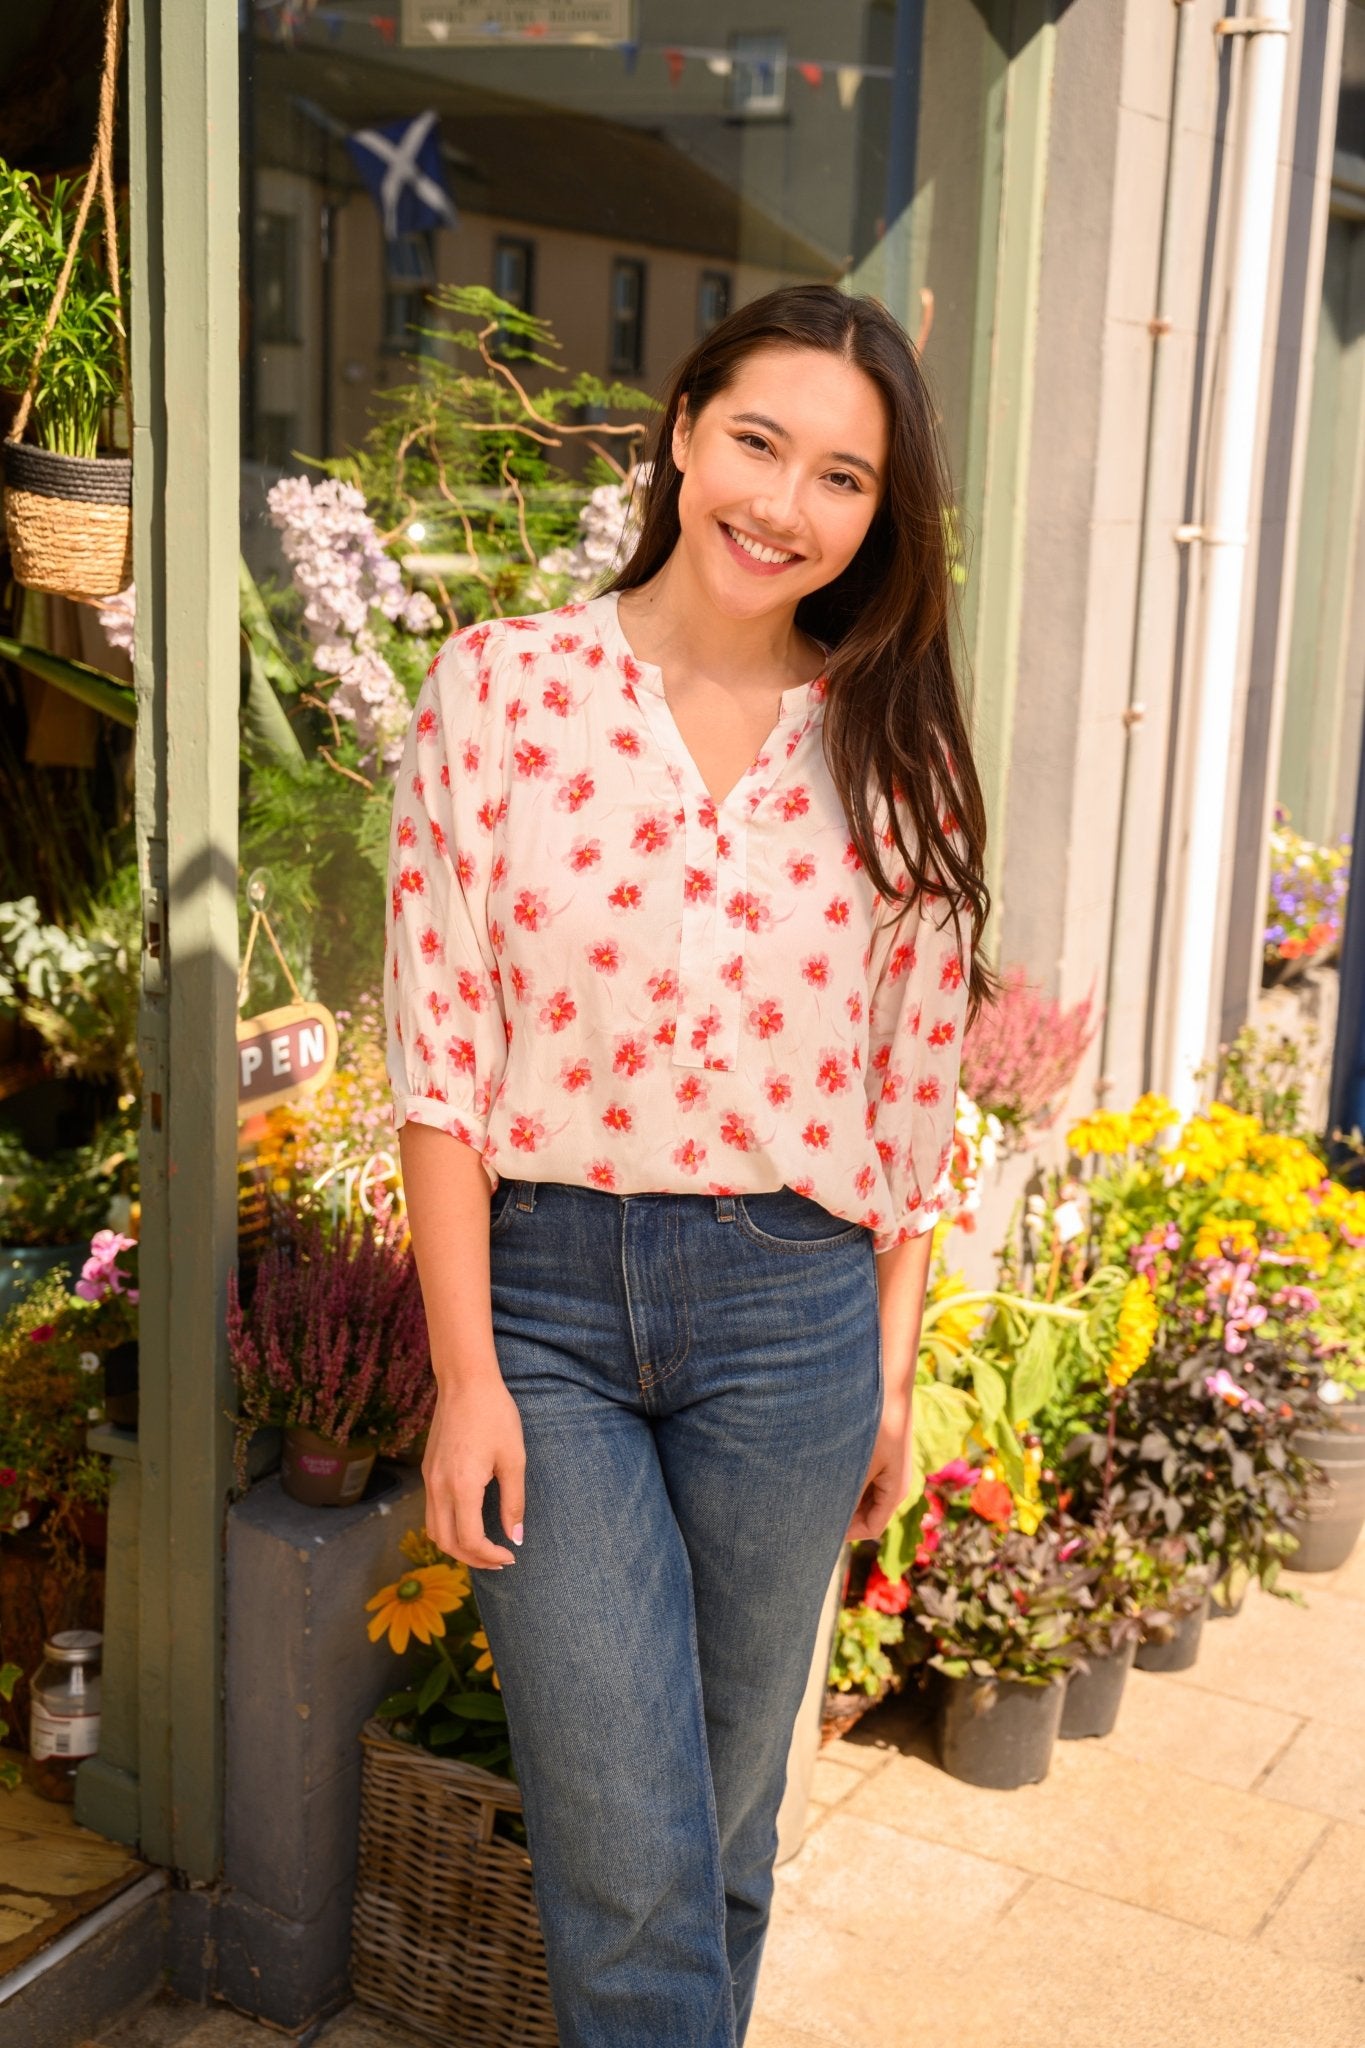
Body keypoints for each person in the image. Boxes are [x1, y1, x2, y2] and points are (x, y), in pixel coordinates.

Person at [385, 282, 992, 2047]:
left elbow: (911, 1108)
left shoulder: (895, 747)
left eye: (841, 478)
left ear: (877, 515)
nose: (784, 504)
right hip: (546, 1312)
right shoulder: (502, 690)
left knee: (722, 1829)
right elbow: (441, 1062)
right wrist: (465, 1376)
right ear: (679, 434)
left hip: (792, 1319)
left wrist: (888, 1380)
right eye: (757, 443)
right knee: (624, 1845)